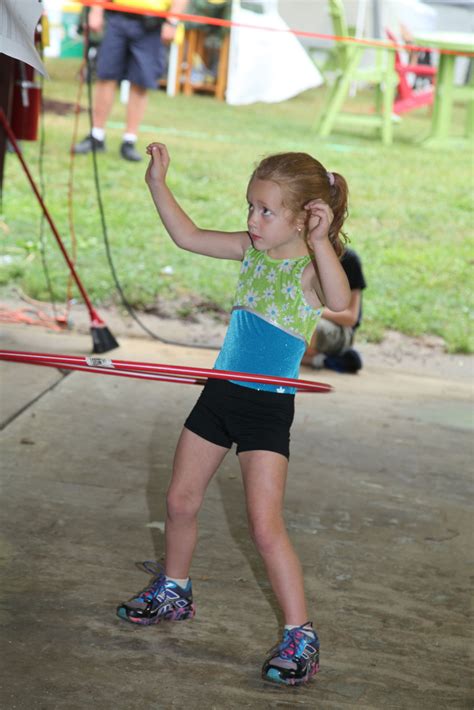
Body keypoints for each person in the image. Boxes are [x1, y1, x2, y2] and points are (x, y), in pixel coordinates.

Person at [116, 145, 351, 686]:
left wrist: (320, 242)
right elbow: (188, 236)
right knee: (179, 499)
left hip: (267, 410)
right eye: (250, 207)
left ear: (303, 215)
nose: (252, 220)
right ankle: (174, 589)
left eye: (266, 211)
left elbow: (338, 301)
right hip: (220, 393)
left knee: (265, 527)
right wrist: (157, 182)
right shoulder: (250, 250)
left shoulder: (312, 269)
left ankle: (301, 635)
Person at [73, 0, 187, 162]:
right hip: (116, 14)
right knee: (105, 75)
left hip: (153, 21)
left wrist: (172, 21)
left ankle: (129, 140)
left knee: (141, 82)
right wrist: (96, 10)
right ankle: (96, 135)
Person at [302, 248, 366, 373]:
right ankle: (316, 359)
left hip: (340, 329)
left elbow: (351, 317)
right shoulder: (301, 254)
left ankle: (315, 358)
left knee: (306, 326)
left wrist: (313, 310)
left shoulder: (349, 260)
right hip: (306, 317)